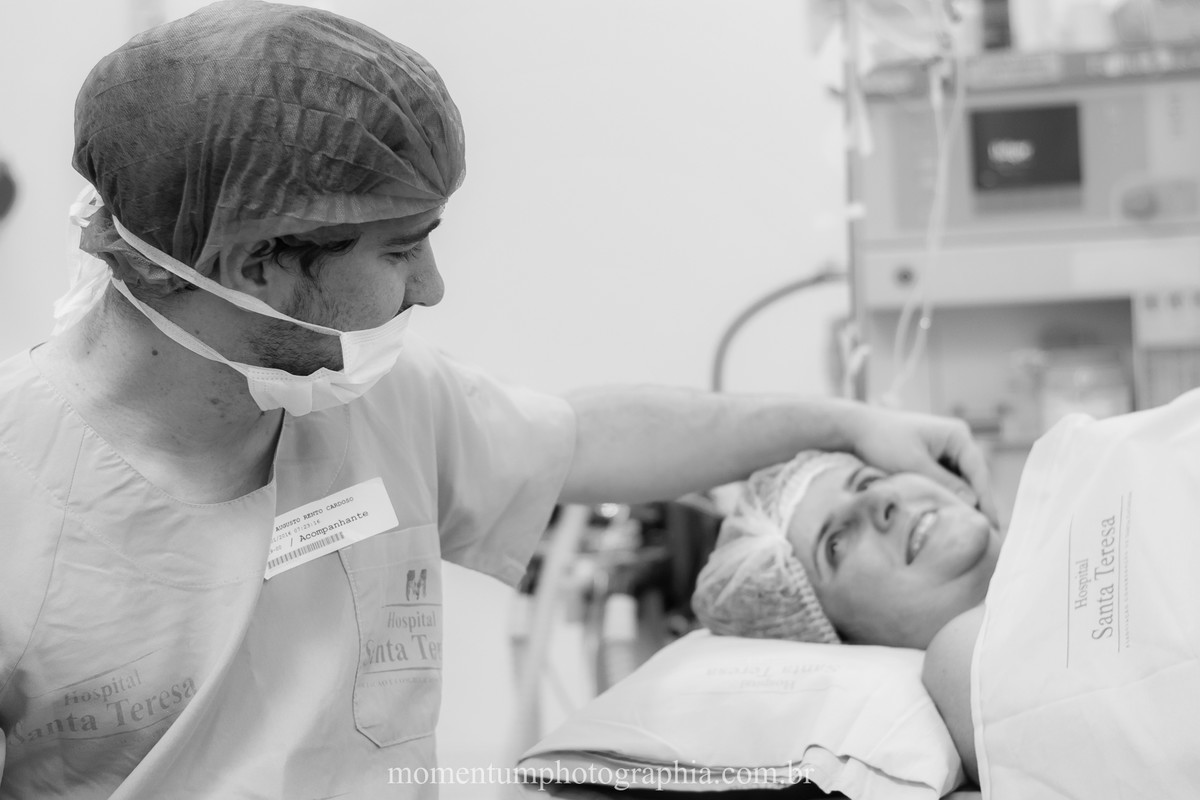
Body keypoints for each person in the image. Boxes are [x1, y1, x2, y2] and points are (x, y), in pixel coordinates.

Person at [0, 2, 996, 798]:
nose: (430, 287)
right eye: (399, 250)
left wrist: (844, 422)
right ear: (256, 262)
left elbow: (591, 435)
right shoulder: (17, 493)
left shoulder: (374, 403)